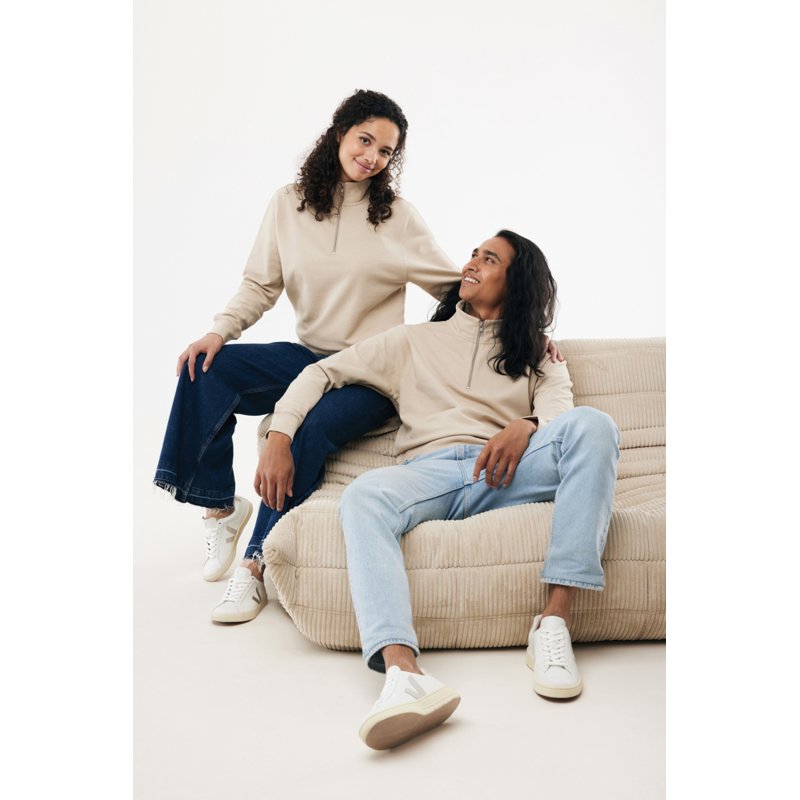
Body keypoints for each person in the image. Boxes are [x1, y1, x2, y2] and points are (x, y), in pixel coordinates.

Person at [153, 89, 564, 623]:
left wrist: (527, 328)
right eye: (365, 141)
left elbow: (455, 284)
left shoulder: (397, 218)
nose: (372, 157)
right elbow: (260, 284)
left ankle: (255, 566)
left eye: (386, 151)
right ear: (339, 133)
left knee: (311, 427)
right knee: (204, 369)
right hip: (309, 355)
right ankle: (221, 509)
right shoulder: (287, 204)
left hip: (372, 375)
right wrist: (219, 331)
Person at [262, 229, 621, 750]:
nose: (471, 263)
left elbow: (564, 416)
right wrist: (279, 436)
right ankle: (403, 673)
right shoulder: (412, 341)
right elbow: (321, 373)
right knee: (363, 496)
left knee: (595, 425)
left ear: (515, 282)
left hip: (505, 472)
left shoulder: (538, 353)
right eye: (473, 254)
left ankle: (553, 623)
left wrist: (527, 425)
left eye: (489, 259)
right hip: (428, 473)